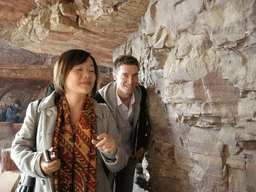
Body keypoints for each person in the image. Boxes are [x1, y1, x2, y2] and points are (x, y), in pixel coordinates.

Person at [11, 49, 128, 192]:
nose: (87, 75)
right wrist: (39, 164)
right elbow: (18, 149)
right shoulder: (38, 110)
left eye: (92, 71)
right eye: (79, 69)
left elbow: (120, 163)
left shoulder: (104, 111)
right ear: (62, 74)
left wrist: (113, 151)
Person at [95, 55, 150, 192]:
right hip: (106, 158)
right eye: (125, 75)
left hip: (129, 155)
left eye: (135, 75)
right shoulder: (99, 99)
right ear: (115, 76)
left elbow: (143, 121)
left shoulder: (141, 93)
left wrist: (141, 147)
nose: (131, 81)